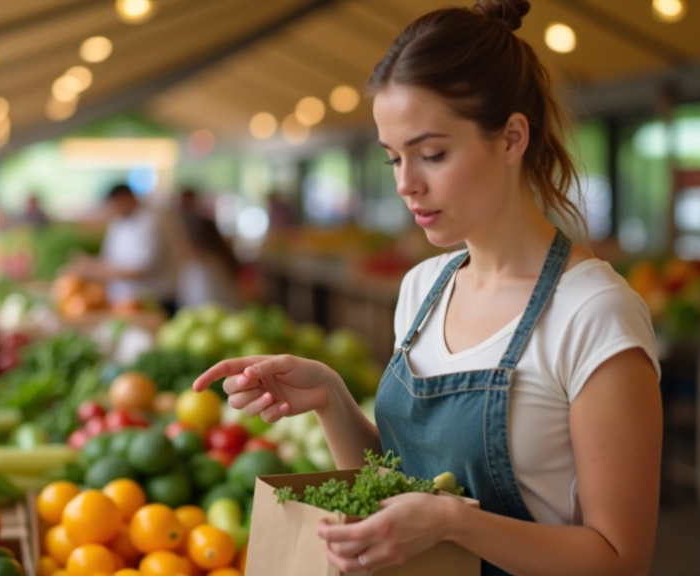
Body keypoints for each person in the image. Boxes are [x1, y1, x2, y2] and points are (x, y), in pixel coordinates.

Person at [192, 2, 662, 575]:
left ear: (512, 137)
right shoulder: (423, 289)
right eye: (393, 158)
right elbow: (399, 488)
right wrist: (333, 400)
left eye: (432, 154)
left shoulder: (593, 313)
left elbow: (621, 559)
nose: (406, 184)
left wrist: (453, 522)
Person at [68, 184, 178, 312]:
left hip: (153, 301)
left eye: (115, 204)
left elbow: (141, 270)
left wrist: (94, 269)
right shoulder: (118, 223)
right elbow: (109, 259)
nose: (113, 209)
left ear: (126, 198)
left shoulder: (152, 221)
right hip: (123, 302)